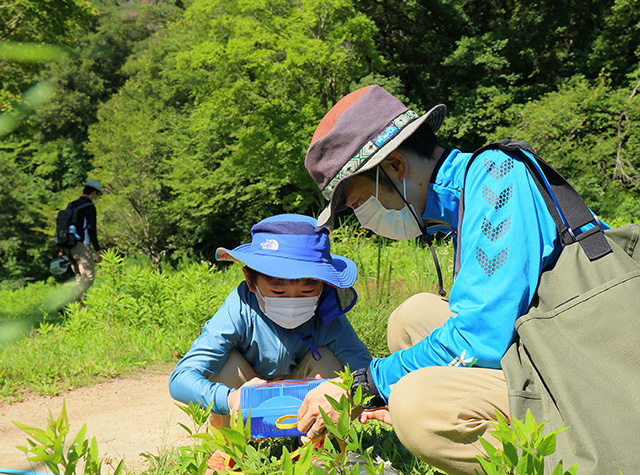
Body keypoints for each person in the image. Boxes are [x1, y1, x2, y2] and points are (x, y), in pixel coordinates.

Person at [296, 85, 608, 475]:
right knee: (413, 318)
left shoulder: (498, 178)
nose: (365, 220)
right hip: (554, 349)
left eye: (360, 203)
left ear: (394, 167)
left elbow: (482, 338)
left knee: (418, 404)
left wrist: (364, 385)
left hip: (597, 375)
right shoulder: (464, 198)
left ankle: (569, 458)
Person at [168, 214, 372, 431]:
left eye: (307, 290)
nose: (293, 301)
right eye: (278, 291)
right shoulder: (239, 309)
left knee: (335, 366)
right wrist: (229, 399)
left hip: (303, 399)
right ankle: (229, 448)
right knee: (227, 365)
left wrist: (342, 390)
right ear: (250, 280)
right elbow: (181, 379)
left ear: (323, 284)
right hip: (245, 398)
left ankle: (319, 443)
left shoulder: (328, 314)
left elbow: (366, 370)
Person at [65, 179, 102, 300]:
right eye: (97, 194)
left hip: (68, 246)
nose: (97, 197)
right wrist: (97, 249)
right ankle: (67, 300)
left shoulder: (72, 204)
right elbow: (91, 229)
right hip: (81, 246)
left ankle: (80, 312)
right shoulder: (89, 206)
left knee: (79, 279)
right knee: (88, 278)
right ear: (93, 193)